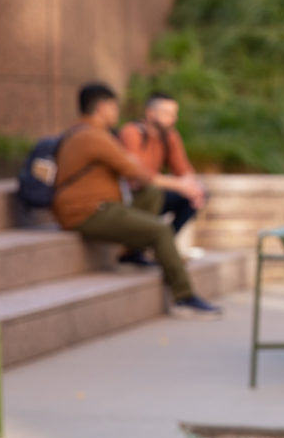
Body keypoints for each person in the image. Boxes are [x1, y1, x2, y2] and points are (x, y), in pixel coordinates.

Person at [51, 83, 221, 318]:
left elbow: (160, 172)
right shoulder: (93, 137)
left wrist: (189, 186)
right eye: (114, 107)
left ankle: (134, 253)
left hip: (100, 206)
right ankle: (184, 297)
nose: (117, 112)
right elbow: (136, 172)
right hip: (88, 211)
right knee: (160, 230)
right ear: (102, 107)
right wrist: (169, 180)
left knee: (151, 194)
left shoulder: (85, 132)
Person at [117, 92, 205, 250]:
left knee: (194, 197)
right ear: (150, 113)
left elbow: (183, 169)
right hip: (132, 196)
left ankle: (163, 245)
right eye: (166, 113)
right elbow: (138, 174)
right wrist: (179, 185)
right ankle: (139, 249)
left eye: (174, 114)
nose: (172, 119)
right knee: (152, 192)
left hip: (154, 192)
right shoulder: (132, 132)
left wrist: (194, 189)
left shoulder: (169, 136)